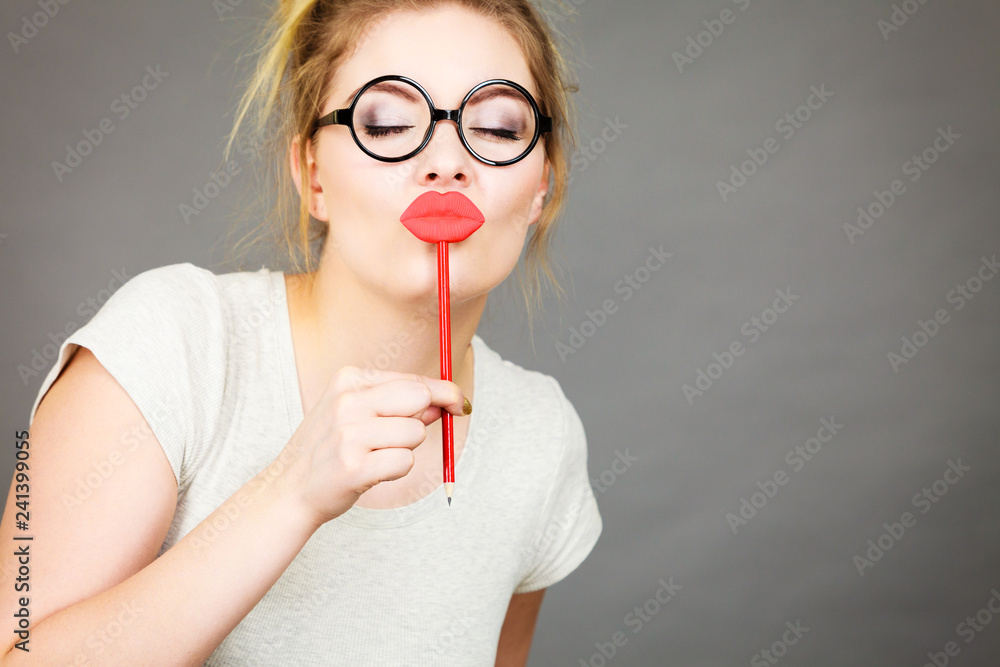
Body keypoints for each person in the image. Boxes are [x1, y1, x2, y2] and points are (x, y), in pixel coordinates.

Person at [0, 0, 602, 664]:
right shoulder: (170, 347)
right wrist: (289, 492)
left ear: (543, 184)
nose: (446, 161)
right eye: (391, 122)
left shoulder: (542, 436)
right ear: (312, 174)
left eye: (494, 127)